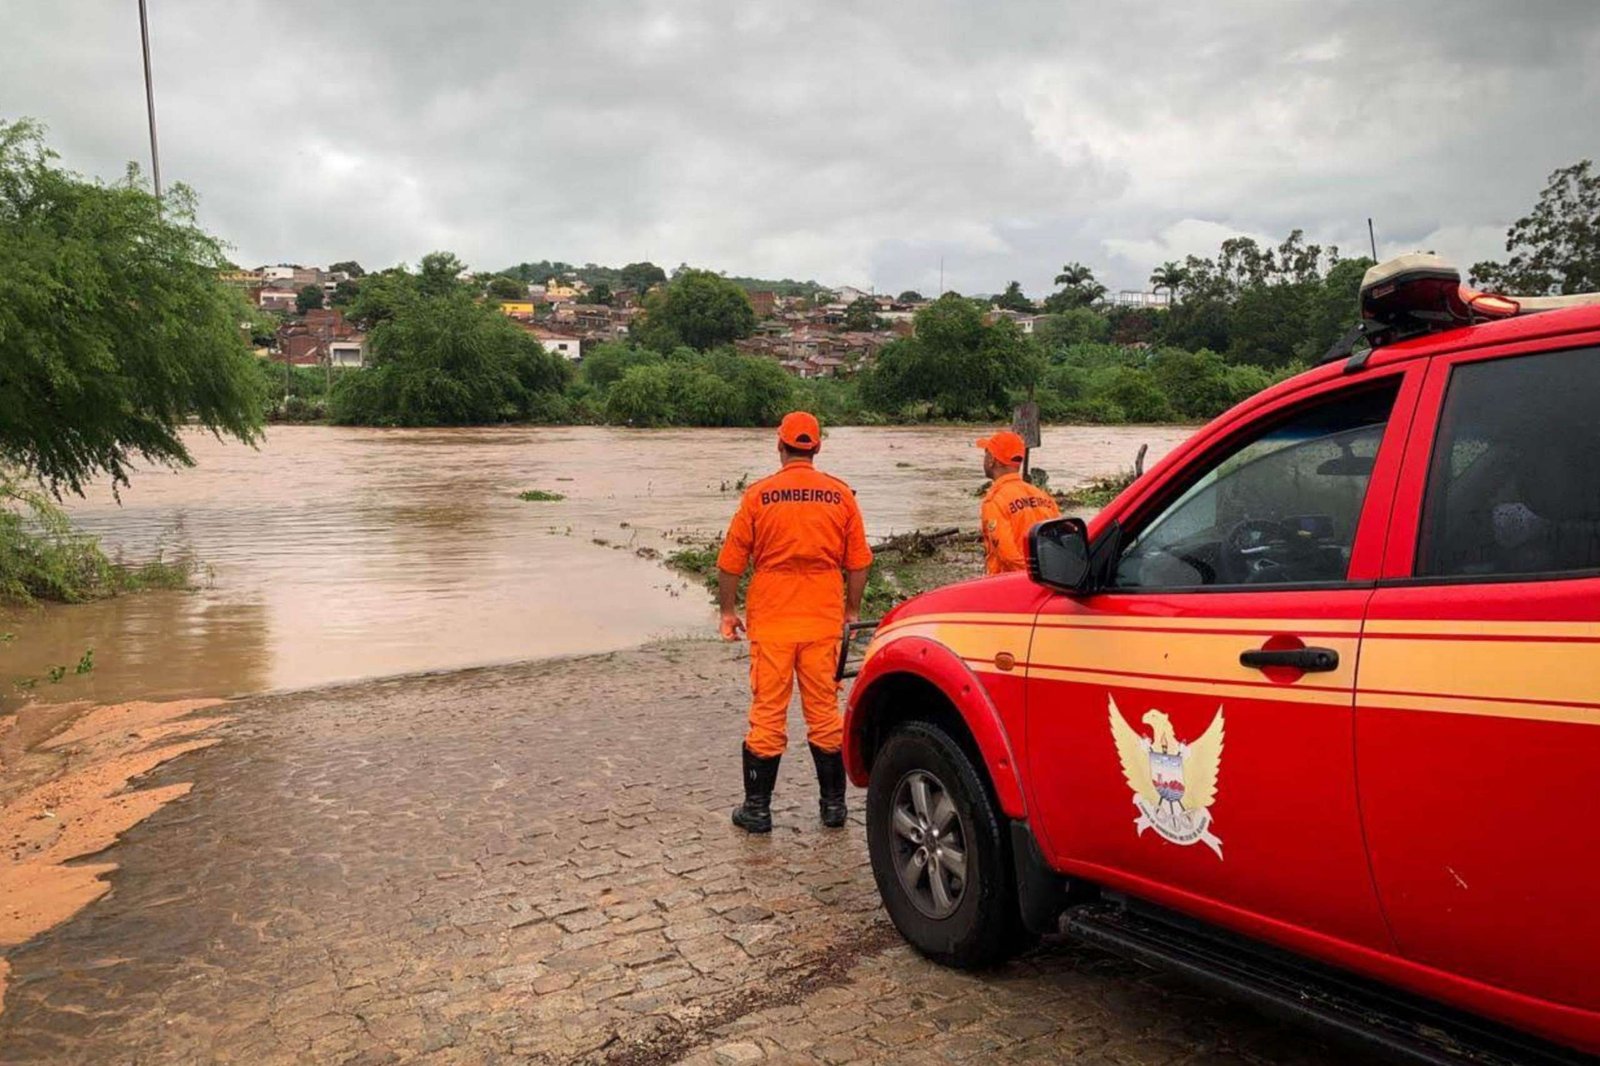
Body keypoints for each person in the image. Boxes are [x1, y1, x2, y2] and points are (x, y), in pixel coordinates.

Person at [716, 411, 873, 834]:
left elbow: (730, 563)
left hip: (772, 621)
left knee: (768, 713)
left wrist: (728, 612)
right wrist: (851, 611)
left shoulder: (758, 496)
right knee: (825, 713)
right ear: (817, 447)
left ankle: (757, 810)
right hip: (822, 620)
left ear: (779, 445)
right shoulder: (841, 495)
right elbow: (858, 563)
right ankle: (834, 808)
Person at [976, 430, 1061, 574]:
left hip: (1011, 582)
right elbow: (1059, 543)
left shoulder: (994, 501)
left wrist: (1030, 577)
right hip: (1048, 576)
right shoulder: (1043, 496)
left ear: (992, 460)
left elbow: (1008, 556)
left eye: (986, 454)